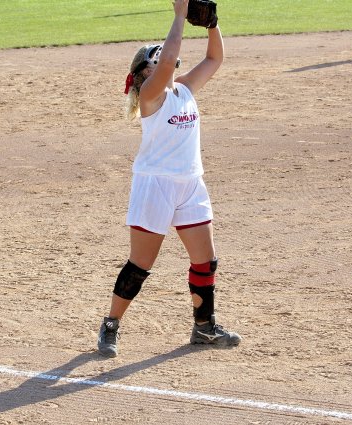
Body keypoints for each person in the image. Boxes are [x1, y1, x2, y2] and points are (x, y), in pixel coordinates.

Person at [97, 0, 241, 358]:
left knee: (205, 261)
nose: (166, 60)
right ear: (144, 72)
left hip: (190, 183)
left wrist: (213, 25)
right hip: (155, 185)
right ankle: (111, 323)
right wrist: (178, 16)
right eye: (157, 59)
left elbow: (214, 59)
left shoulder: (184, 89)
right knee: (140, 265)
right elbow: (168, 63)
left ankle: (204, 327)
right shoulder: (150, 96)